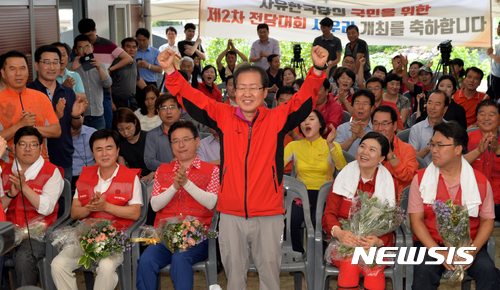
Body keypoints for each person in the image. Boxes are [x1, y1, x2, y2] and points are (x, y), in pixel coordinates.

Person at [159, 44, 328, 289]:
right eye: (241, 88)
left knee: (270, 279)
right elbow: (193, 99)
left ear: (265, 91)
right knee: (234, 279)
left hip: (269, 213)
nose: (247, 93)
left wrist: (318, 70)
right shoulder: (223, 115)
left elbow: (302, 101)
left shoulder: (276, 119)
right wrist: (171, 73)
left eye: (254, 88)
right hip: (230, 214)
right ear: (233, 91)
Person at [408, 121, 500, 289]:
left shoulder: (480, 182)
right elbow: (416, 221)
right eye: (432, 144)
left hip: (468, 243)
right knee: (424, 273)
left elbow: (487, 220)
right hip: (431, 243)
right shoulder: (421, 180)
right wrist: (438, 251)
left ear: (458, 149)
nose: (433, 150)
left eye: (440, 145)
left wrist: (472, 250)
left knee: (489, 272)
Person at [51, 129, 142, 290]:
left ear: (117, 150)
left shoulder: (130, 177)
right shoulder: (85, 175)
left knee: (106, 268)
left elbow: (135, 213)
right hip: (85, 237)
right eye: (98, 149)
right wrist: (90, 208)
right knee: (58, 265)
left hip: (115, 238)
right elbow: (74, 213)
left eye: (109, 148)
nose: (104, 153)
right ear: (93, 152)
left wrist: (106, 206)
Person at [136, 120, 218, 290]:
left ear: (196, 141)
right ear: (171, 145)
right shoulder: (162, 170)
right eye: (175, 141)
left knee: (180, 259)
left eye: (186, 139)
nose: (181, 145)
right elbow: (155, 205)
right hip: (164, 238)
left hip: (198, 238)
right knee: (146, 261)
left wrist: (186, 183)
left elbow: (211, 202)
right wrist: (175, 186)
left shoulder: (212, 171)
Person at [323, 131, 398, 290]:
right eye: (362, 146)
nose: (364, 152)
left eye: (372, 149)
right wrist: (339, 233)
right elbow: (329, 214)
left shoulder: (388, 183)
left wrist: (378, 241)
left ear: (381, 158)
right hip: (344, 241)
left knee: (373, 266)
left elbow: (390, 223)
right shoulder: (344, 177)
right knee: (351, 262)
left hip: (376, 244)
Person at [1, 127, 64, 288]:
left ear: (41, 148)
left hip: (39, 234)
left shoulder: (52, 172)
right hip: (8, 230)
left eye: (33, 144)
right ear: (13, 147)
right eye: (22, 144)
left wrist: (25, 188)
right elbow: (1, 208)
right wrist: (10, 194)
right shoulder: (5, 172)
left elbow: (47, 208)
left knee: (23, 258)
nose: (28, 149)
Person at [285, 109, 346, 253]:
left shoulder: (331, 145)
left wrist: (331, 144)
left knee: (318, 221)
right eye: (303, 120)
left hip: (325, 195)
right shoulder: (294, 146)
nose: (306, 122)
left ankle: (322, 257)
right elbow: (276, 165)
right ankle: (298, 255)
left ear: (320, 125)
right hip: (301, 195)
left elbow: (342, 168)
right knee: (292, 220)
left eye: (311, 119)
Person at [27, 45, 88, 181]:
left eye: (56, 63)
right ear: (37, 65)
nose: (52, 67)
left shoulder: (68, 92)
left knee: (64, 199)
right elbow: (26, 128)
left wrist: (76, 115)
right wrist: (55, 115)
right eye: (47, 63)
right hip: (34, 159)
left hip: (63, 157)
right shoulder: (27, 93)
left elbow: (76, 127)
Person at [0, 50, 61, 166]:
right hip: (8, 167)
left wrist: (31, 127)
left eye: (22, 68)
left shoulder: (41, 97)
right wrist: (19, 126)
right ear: (3, 73)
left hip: (41, 165)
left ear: (28, 71)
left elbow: (57, 131)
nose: (18, 73)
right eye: (12, 69)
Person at [77, 18, 134, 130]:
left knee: (106, 127)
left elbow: (128, 59)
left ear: (95, 30)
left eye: (90, 35)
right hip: (85, 94)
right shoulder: (80, 46)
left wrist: (109, 70)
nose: (88, 39)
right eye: (85, 35)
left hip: (104, 90)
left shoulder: (107, 44)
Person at [464, 99, 500, 220]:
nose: (486, 118)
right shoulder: (466, 139)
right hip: (473, 198)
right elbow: (455, 165)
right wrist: (478, 151)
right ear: (477, 117)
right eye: (482, 114)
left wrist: (498, 151)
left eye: (491, 114)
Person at [372, 105, 418, 198]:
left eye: (385, 124)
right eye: (376, 124)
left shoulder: (407, 149)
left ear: (395, 126)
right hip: (372, 199)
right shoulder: (367, 148)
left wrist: (390, 155)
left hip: (398, 201)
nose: (380, 128)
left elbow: (409, 177)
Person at [71, 35, 112, 130]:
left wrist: (99, 69)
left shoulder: (100, 65)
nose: (84, 51)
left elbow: (108, 84)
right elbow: (63, 85)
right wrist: (72, 69)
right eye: (80, 48)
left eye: (87, 47)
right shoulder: (72, 67)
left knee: (100, 141)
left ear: (92, 48)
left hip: (98, 114)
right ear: (76, 51)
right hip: (79, 115)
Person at [114, 108, 154, 184]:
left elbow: (163, 162)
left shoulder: (149, 138)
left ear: (135, 122)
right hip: (135, 180)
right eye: (121, 129)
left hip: (153, 178)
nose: (126, 133)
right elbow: (123, 169)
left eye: (128, 128)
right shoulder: (121, 143)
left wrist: (151, 174)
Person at [409, 90, 449, 165]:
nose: (432, 107)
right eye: (430, 103)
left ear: (445, 109)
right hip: (423, 171)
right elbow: (413, 158)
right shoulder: (416, 129)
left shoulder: (450, 128)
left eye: (437, 104)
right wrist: (429, 146)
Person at [144, 94, 180, 172]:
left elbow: (200, 155)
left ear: (179, 110)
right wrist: (169, 166)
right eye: (164, 108)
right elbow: (149, 162)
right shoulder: (152, 135)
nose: (168, 112)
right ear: (158, 111)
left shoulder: (190, 130)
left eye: (172, 107)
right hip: (163, 178)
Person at [334, 90, 374, 156]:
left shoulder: (377, 128)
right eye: (357, 103)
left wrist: (363, 135)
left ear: (372, 108)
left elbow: (381, 151)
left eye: (365, 104)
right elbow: (335, 154)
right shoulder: (343, 128)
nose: (360, 107)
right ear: (352, 106)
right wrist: (351, 139)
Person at [110, 37, 143, 111]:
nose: (132, 49)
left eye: (134, 47)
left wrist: (150, 90)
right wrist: (111, 102)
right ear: (122, 49)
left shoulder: (134, 63)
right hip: (118, 101)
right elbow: (109, 84)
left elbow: (137, 80)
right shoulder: (116, 63)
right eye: (128, 47)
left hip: (132, 101)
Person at [71, 117, 96, 187]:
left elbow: (102, 159)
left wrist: (89, 171)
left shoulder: (92, 133)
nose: (73, 131)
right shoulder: (58, 134)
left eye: (76, 129)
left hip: (89, 177)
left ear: (83, 119)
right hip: (65, 178)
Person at [487, 22, 500, 100]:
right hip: (494, 74)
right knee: (489, 97)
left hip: (498, 76)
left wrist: (490, 54)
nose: (499, 29)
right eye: (498, 27)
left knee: (496, 99)